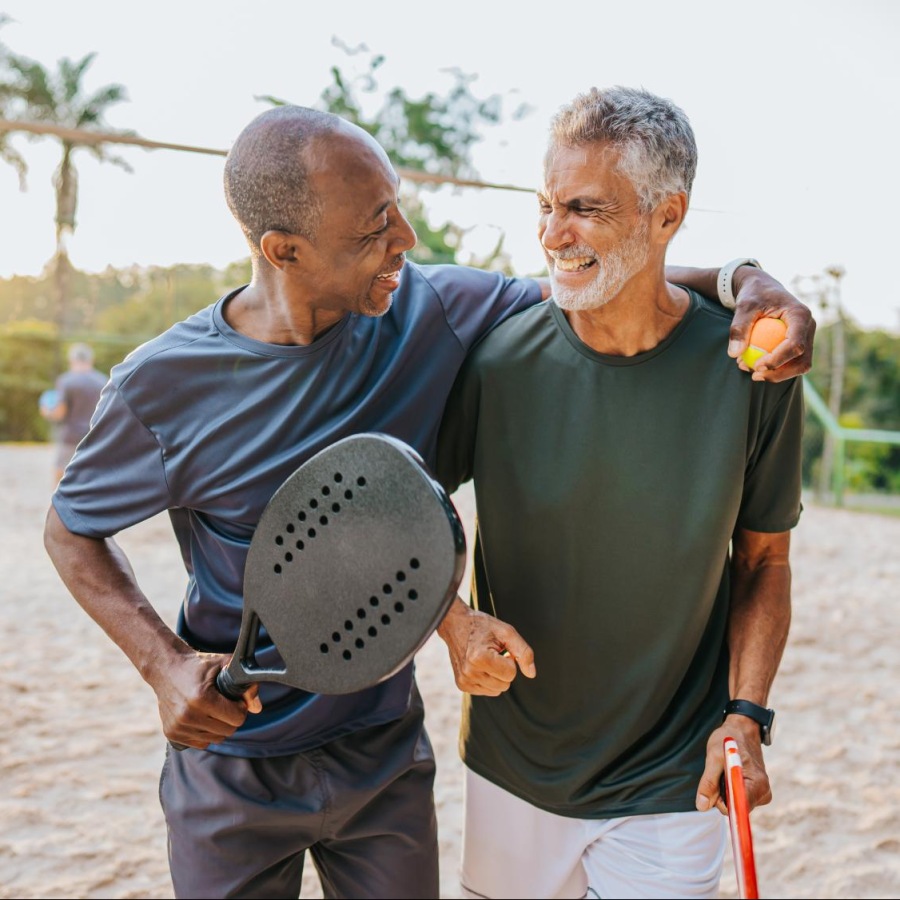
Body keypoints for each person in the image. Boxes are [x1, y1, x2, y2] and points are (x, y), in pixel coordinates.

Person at [44, 104, 812, 900]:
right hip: (232, 760)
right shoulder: (163, 385)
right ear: (284, 250)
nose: (406, 239)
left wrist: (746, 281)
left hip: (382, 750)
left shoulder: (432, 309)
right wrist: (163, 664)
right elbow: (70, 532)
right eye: (376, 227)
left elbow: (606, 278)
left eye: (397, 208)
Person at [436, 86, 803, 900]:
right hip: (512, 765)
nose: (551, 235)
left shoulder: (752, 369)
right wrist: (451, 623)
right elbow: (406, 510)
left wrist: (747, 712)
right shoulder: (497, 360)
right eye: (545, 205)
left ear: (666, 216)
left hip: (675, 774)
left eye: (584, 209)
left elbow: (765, 562)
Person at [39, 342, 107, 484]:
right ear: (91, 359)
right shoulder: (103, 381)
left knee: (61, 470)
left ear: (71, 360)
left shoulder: (66, 381)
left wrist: (47, 412)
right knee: (91, 474)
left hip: (70, 436)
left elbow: (60, 413)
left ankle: (58, 498)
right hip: (94, 435)